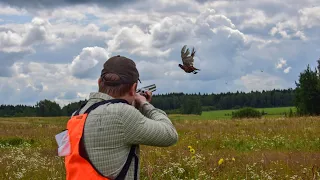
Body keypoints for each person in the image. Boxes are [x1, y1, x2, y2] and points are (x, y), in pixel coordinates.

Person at [65, 55, 179, 180]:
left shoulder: (77, 114)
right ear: (133, 88)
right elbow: (170, 134)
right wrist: (144, 104)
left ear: (99, 82)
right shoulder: (122, 114)